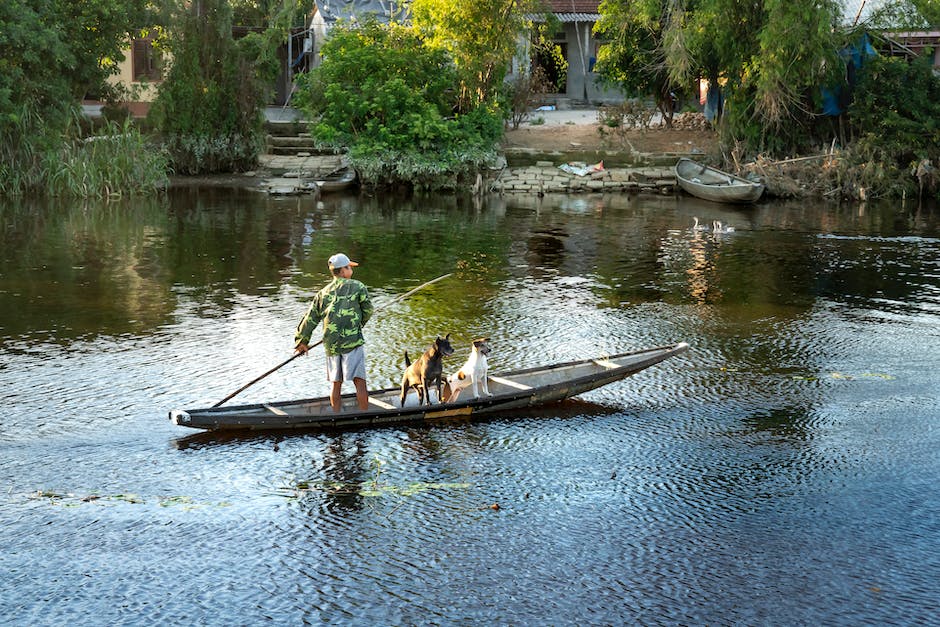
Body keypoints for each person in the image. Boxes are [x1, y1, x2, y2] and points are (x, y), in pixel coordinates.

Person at [295, 253, 374, 412]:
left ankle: (336, 415)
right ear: (343, 271)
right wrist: (359, 324)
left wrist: (302, 341)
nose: (351, 269)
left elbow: (310, 318)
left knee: (336, 383)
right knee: (359, 381)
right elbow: (368, 310)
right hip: (352, 342)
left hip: (331, 343)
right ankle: (365, 415)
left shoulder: (323, 293)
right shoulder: (358, 287)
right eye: (349, 267)